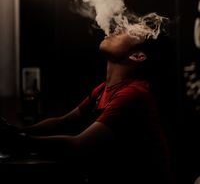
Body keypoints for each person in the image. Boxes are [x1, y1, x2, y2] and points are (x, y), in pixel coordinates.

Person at [17, 23, 173, 184]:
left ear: (137, 56)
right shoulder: (102, 90)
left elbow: (78, 146)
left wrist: (19, 141)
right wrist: (17, 131)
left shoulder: (133, 94)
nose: (118, 28)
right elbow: (62, 122)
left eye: (127, 30)